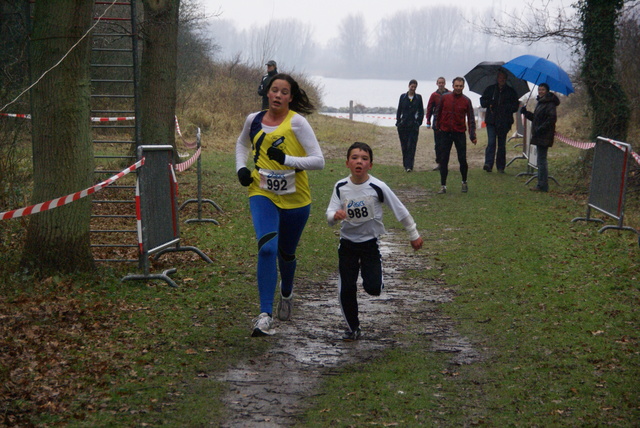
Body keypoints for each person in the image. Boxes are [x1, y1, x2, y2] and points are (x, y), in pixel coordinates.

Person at [236, 73, 325, 336]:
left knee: (286, 253)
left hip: (296, 199)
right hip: (261, 192)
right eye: (274, 90)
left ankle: (287, 290)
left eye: (284, 92)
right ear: (267, 92)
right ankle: (264, 315)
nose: (277, 95)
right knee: (267, 250)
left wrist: (287, 159)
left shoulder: (298, 123)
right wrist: (241, 167)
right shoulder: (253, 120)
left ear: (291, 97)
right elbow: (242, 144)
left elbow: (319, 161)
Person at [326, 142, 423, 341]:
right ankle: (353, 328)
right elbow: (329, 212)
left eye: (364, 158)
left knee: (373, 288)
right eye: (354, 158)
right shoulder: (340, 186)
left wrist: (413, 234)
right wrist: (334, 216)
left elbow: (400, 210)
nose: (359, 161)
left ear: (370, 165)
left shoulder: (378, 187)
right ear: (347, 163)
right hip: (347, 245)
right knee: (347, 287)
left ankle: (377, 282)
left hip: (369, 244)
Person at [435, 77, 477, 194]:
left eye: (461, 86)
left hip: (459, 133)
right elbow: (438, 113)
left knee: (462, 159)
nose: (458, 88)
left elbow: (471, 119)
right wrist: (437, 128)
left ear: (463, 87)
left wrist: (472, 134)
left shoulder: (466, 101)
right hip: (445, 132)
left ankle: (464, 181)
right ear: (452, 86)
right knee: (444, 160)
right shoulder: (445, 97)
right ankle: (443, 185)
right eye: (456, 86)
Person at [520, 83, 560, 192]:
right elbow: (536, 119)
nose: (540, 91)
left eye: (543, 89)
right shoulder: (541, 102)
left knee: (542, 161)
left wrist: (540, 129)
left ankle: (542, 185)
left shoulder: (550, 104)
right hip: (539, 134)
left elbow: (551, 119)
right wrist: (526, 113)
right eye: (539, 89)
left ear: (547, 91)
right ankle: (541, 184)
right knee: (540, 160)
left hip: (544, 135)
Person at [479, 70, 520, 173]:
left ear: (506, 79)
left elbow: (515, 107)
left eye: (504, 78)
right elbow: (483, 102)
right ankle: (488, 164)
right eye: (500, 78)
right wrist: (490, 103)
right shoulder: (490, 89)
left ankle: (501, 167)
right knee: (491, 142)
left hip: (504, 122)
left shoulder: (511, 91)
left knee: (501, 145)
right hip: (491, 120)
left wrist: (506, 108)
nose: (502, 80)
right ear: (497, 78)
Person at [395, 79, 424, 172]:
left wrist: (418, 122)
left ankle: (409, 166)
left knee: (411, 145)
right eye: (412, 86)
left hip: (413, 126)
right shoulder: (403, 97)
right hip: (403, 125)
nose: (413, 88)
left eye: (415, 86)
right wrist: (398, 122)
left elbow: (421, 112)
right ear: (409, 86)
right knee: (404, 145)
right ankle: (405, 164)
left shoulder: (418, 98)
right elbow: (399, 110)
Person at [425, 77, 450, 171]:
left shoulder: (450, 93)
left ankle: (444, 162)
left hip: (447, 122)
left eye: (442, 83)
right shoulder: (434, 95)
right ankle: (439, 162)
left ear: (445, 83)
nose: (441, 84)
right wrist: (428, 120)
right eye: (439, 83)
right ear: (437, 83)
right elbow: (429, 108)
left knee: (446, 143)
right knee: (438, 144)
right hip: (436, 122)